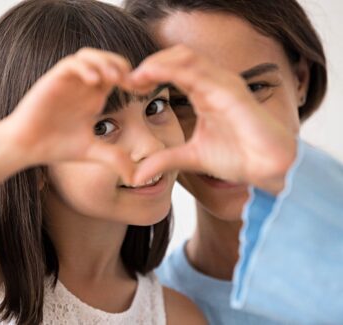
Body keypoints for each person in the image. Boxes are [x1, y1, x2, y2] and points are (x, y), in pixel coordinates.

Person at [0, 0, 207, 324]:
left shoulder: (177, 316)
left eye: (154, 107)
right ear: (34, 161)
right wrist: (13, 143)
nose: (151, 145)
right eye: (102, 126)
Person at [124, 0, 343, 324]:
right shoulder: (149, 313)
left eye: (254, 88)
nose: (224, 135)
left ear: (300, 80)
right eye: (181, 101)